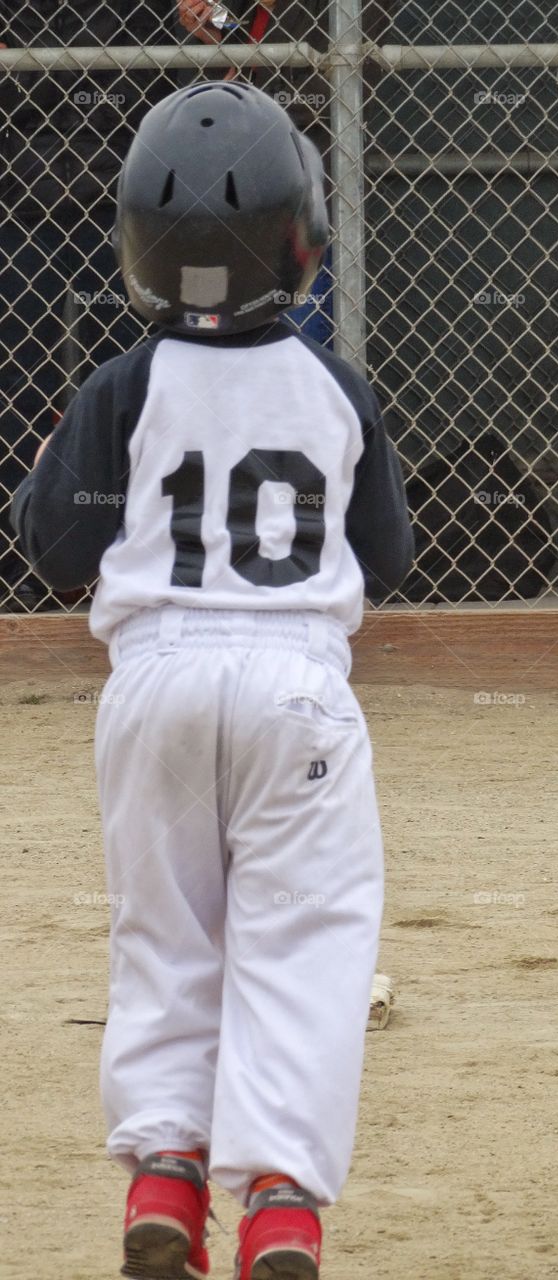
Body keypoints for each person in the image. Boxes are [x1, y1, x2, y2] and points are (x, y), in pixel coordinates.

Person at [12, 82, 413, 1280]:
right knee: (303, 939)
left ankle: (164, 1178)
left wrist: (58, 470)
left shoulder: (120, 388)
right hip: (294, 682)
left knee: (166, 935)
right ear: (303, 239)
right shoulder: (339, 387)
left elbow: (55, 547)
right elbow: (384, 556)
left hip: (155, 683)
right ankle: (281, 1202)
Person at [0, 1, 175, 610]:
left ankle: (129, 546)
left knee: (126, 376)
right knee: (17, 379)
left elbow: (164, 75)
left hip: (118, 199)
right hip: (17, 199)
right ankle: (23, 553)